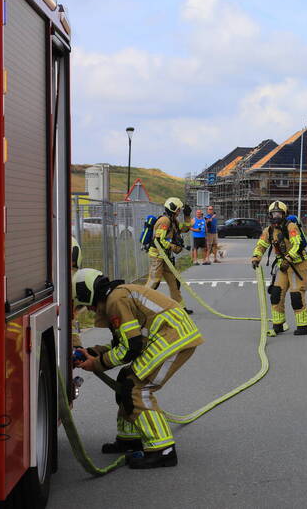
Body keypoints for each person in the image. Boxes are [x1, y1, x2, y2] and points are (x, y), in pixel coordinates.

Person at [72, 267, 203, 469]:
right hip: (168, 336)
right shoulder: (116, 296)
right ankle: (130, 438)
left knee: (137, 388)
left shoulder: (115, 300)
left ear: (89, 294)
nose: (89, 311)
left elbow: (130, 348)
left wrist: (96, 364)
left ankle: (162, 449)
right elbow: (124, 342)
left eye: (86, 306)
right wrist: (94, 352)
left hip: (173, 337)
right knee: (126, 377)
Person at [250, 200, 307, 336]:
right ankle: (278, 324)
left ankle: (303, 326)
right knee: (276, 294)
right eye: (273, 214)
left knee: (296, 296)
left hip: (297, 266)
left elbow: (297, 244)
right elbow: (261, 245)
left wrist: (289, 258)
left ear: (284, 214)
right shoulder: (269, 231)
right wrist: (256, 258)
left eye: (279, 213)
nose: (276, 216)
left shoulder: (291, 227)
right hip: (282, 267)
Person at [146, 197, 194, 313]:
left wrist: (187, 216)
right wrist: (174, 247)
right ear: (173, 209)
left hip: (166, 256)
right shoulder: (164, 221)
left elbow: (185, 228)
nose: (179, 212)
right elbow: (159, 240)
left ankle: (180, 308)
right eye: (178, 210)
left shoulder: (173, 220)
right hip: (157, 256)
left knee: (174, 281)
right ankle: (139, 306)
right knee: (154, 282)